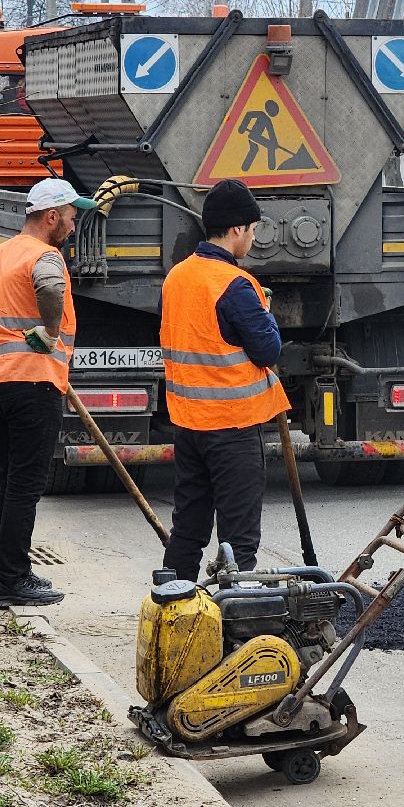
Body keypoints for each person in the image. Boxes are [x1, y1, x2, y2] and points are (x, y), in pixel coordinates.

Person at [0, 177, 98, 607]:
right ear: (51, 217)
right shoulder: (43, 255)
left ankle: (8, 575)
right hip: (34, 382)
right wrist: (48, 333)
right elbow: (51, 288)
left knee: (10, 481)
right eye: (69, 217)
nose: (72, 226)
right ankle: (13, 579)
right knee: (26, 485)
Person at [160, 178, 290, 581]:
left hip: (188, 424)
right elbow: (268, 350)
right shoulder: (235, 285)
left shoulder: (177, 276)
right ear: (237, 229)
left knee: (189, 527)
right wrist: (264, 311)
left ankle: (172, 606)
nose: (252, 238)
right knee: (239, 538)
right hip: (232, 427)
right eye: (251, 230)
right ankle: (232, 619)